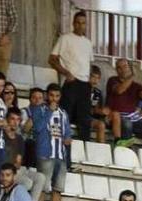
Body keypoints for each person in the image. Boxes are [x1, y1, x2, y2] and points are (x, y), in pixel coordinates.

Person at [49, 11, 93, 141]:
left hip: (85, 84)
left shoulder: (88, 42)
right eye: (78, 23)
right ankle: (62, 145)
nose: (80, 25)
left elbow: (88, 62)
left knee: (85, 119)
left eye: (83, 23)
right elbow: (52, 59)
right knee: (66, 115)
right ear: (73, 24)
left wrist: (90, 78)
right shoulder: (65, 38)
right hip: (71, 82)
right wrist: (66, 72)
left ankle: (85, 148)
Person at [106, 58, 142, 151]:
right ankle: (125, 152)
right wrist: (132, 76)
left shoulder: (136, 85)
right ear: (116, 70)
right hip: (116, 118)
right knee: (127, 124)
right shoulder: (112, 80)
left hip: (134, 118)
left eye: (125, 66)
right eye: (119, 67)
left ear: (130, 68)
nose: (122, 69)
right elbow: (119, 90)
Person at [26, 83, 71, 201]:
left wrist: (67, 138)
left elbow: (67, 134)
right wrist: (49, 111)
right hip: (45, 155)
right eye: (51, 95)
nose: (54, 99)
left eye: (57, 96)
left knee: (58, 189)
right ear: (47, 95)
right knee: (42, 188)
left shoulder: (64, 113)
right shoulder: (38, 109)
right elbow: (37, 128)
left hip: (60, 156)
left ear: (60, 97)